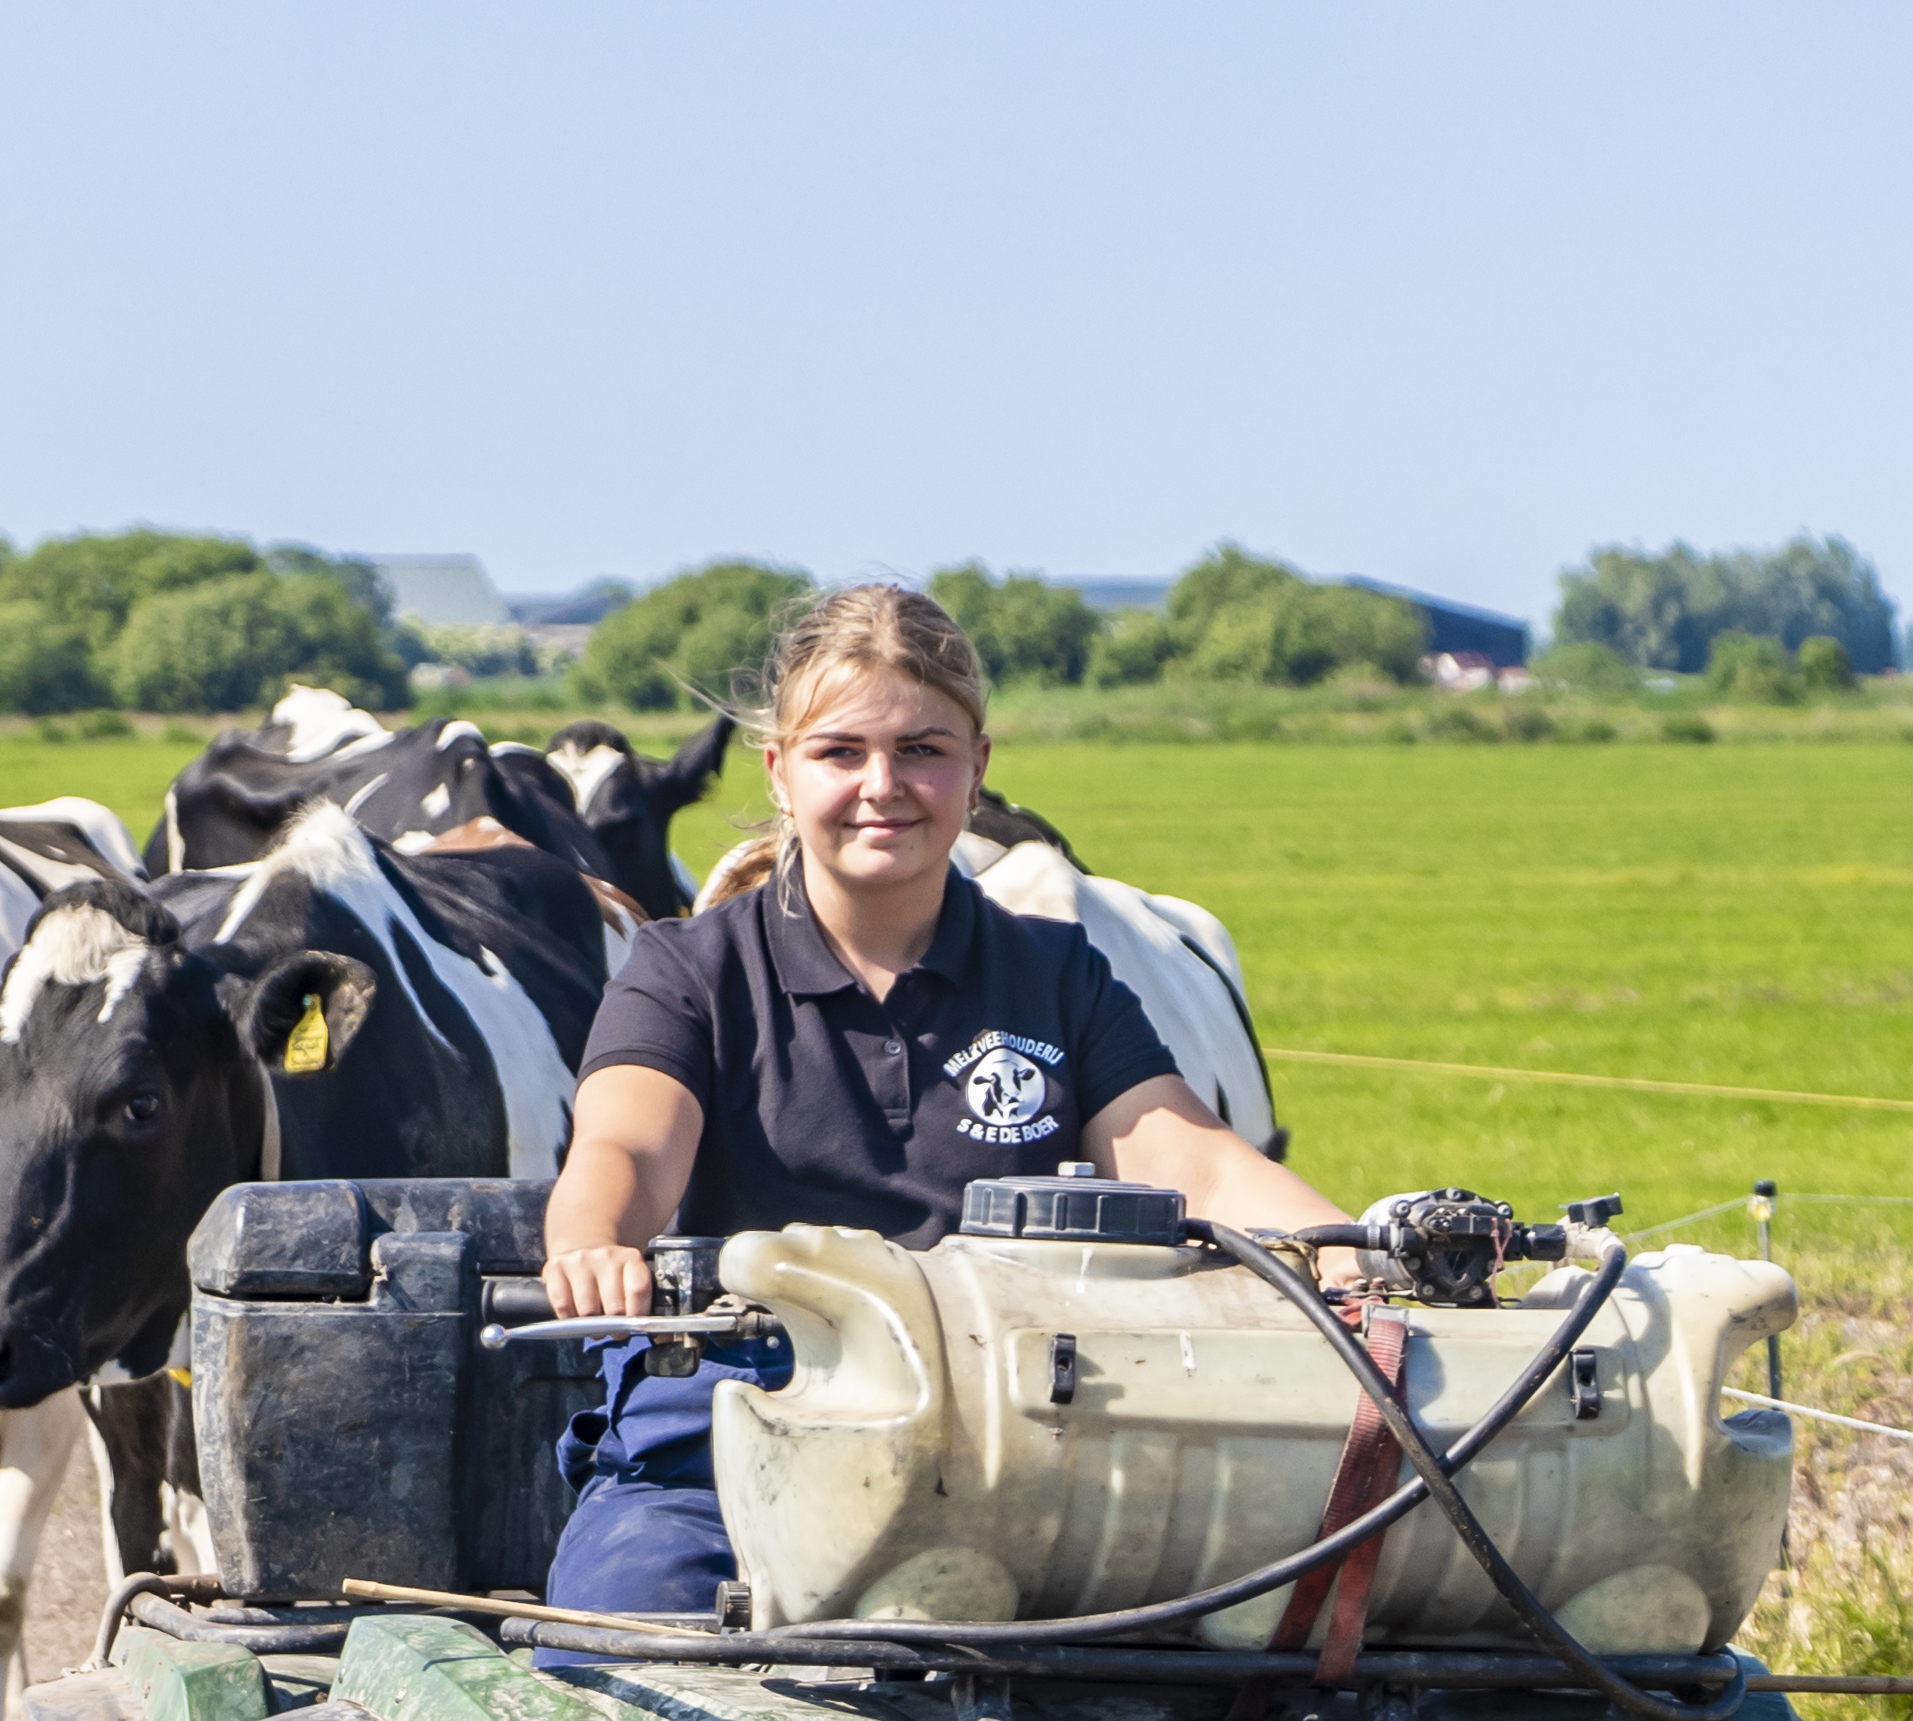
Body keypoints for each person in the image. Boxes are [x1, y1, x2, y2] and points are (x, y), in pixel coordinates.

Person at [534, 580, 1351, 1624]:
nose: (885, 785)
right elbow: (625, 1145)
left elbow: (1190, 1157)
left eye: (923, 748)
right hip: (736, 1435)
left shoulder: (1054, 971)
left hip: (1013, 1440)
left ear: (977, 769)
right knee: (624, 1648)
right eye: (841, 752)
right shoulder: (688, 970)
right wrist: (596, 1238)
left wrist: (1349, 1242)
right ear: (781, 772)